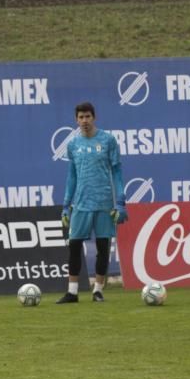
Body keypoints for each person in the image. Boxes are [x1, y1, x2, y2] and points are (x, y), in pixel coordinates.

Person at [56, 101, 127, 303]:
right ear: (76, 120)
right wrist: (66, 205)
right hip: (80, 204)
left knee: (103, 247)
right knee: (75, 246)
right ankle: (72, 292)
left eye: (88, 116)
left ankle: (98, 290)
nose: (84, 120)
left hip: (104, 203)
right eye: (81, 117)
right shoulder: (73, 145)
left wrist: (120, 202)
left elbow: (117, 172)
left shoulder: (108, 140)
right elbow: (72, 176)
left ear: (94, 117)